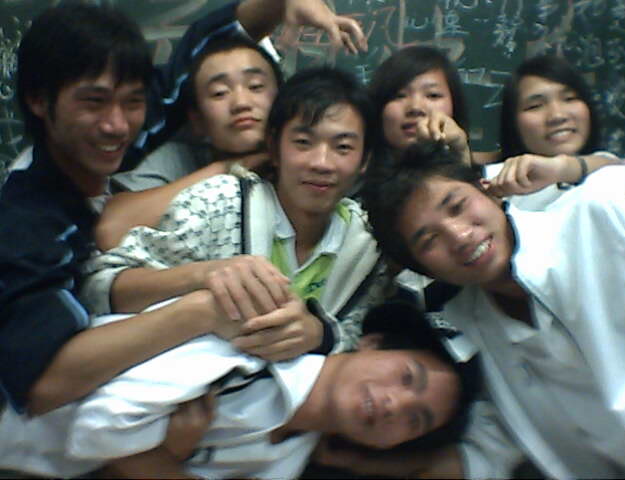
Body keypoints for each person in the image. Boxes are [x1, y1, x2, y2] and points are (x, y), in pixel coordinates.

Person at [0, 0, 367, 416]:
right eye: (93, 102)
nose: (116, 125)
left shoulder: (132, 126)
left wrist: (283, 4)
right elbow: (40, 384)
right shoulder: (27, 224)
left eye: (133, 101)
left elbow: (207, 41)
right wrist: (201, 307)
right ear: (38, 100)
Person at [359, 140, 625, 478]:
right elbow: (492, 449)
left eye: (458, 206)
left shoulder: (602, 214)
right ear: (423, 269)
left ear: (488, 191)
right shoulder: (468, 334)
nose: (460, 236)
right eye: (429, 240)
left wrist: (569, 167)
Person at [81, 67, 393, 365]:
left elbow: (358, 333)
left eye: (343, 147)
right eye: (303, 143)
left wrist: (321, 334)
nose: (321, 162)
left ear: (365, 160)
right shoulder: (218, 202)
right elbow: (99, 287)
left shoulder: (368, 243)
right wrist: (201, 275)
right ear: (273, 146)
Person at [0, 305, 464, 479]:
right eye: (407, 377)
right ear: (372, 343)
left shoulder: (287, 461)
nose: (395, 404)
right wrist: (166, 463)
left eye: (415, 420)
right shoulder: (249, 348)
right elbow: (97, 427)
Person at [96, 36, 284, 251]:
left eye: (255, 86)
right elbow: (111, 230)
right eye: (219, 93)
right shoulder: (181, 159)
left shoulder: (306, 160)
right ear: (197, 120)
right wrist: (229, 168)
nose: (241, 103)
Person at [485, 54, 623, 208]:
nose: (557, 116)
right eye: (535, 106)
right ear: (512, 123)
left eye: (569, 98)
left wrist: (561, 168)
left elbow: (614, 164)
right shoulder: (491, 181)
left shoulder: (611, 170)